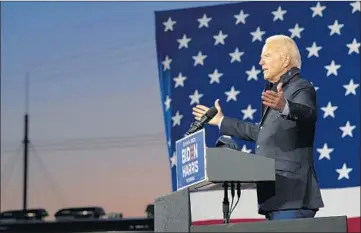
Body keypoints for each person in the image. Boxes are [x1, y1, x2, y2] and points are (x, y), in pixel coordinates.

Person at [192, 34, 324, 220]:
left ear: (285, 59)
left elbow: (309, 114)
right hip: (273, 197)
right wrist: (221, 121)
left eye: (267, 56)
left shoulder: (300, 87)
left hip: (293, 195)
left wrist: (285, 106)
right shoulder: (274, 92)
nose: (261, 62)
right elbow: (262, 133)